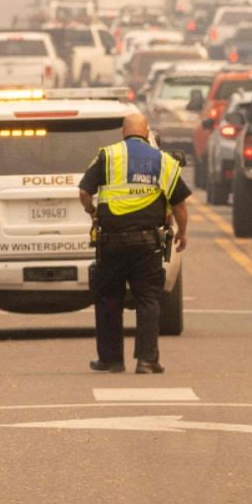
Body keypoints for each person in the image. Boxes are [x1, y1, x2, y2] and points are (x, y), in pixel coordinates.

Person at [78, 112, 189, 374]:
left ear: (123, 132)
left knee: (108, 299)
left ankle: (111, 360)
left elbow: (84, 192)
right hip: (148, 243)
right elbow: (180, 205)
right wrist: (183, 232)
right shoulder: (164, 161)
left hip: (111, 243)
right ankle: (147, 361)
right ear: (147, 131)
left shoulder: (107, 156)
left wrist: (92, 212)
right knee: (148, 299)